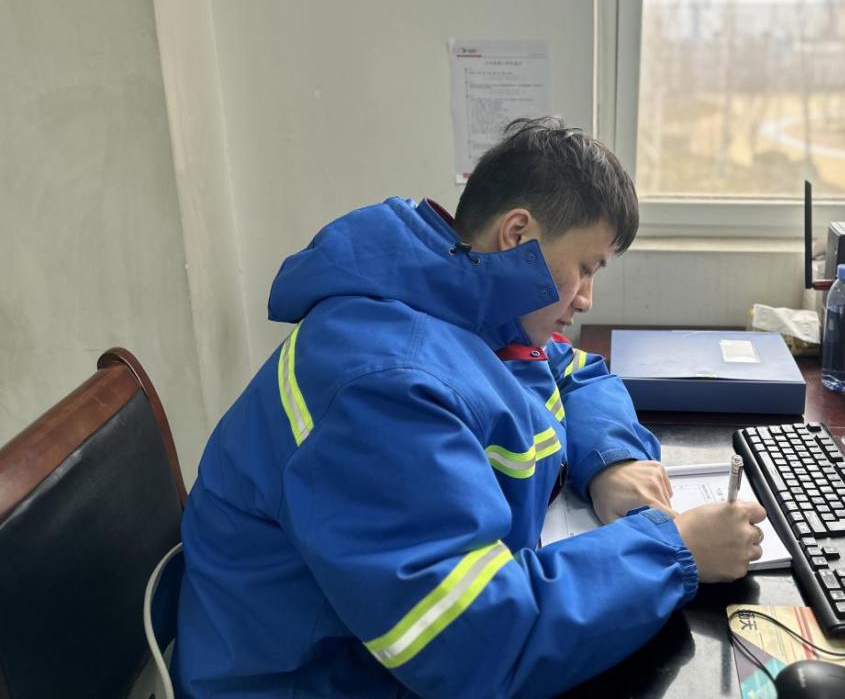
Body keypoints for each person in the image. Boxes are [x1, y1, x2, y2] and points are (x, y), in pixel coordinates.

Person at [173, 117, 767, 698]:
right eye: (585, 268)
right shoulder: (380, 388)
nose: (587, 298)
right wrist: (673, 551)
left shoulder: (467, 300)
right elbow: (469, 644)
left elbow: (574, 371)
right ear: (518, 235)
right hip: (324, 678)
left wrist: (612, 461)